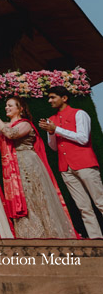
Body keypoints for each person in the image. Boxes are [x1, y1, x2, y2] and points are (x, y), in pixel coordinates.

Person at [0, 97, 76, 238]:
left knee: (34, 197)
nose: (6, 108)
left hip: (27, 164)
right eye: (6, 106)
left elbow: (11, 134)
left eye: (10, 105)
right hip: (11, 169)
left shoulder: (25, 124)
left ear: (20, 108)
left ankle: (47, 233)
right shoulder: (3, 125)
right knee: (23, 200)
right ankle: (28, 234)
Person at [39, 86, 103, 239]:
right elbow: (54, 147)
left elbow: (83, 138)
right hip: (66, 168)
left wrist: (57, 129)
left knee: (100, 201)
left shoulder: (79, 114)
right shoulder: (52, 119)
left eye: (53, 97)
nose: (50, 100)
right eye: (49, 97)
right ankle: (97, 240)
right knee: (83, 207)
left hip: (85, 163)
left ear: (64, 98)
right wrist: (51, 132)